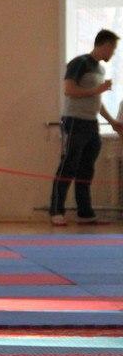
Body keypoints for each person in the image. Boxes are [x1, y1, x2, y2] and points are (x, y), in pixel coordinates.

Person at [50, 29, 123, 226]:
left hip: (91, 123)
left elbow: (96, 99)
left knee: (86, 169)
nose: (113, 53)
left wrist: (112, 121)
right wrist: (98, 89)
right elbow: (69, 90)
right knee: (68, 165)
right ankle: (56, 211)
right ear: (105, 45)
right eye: (113, 49)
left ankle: (85, 213)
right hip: (75, 121)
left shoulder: (100, 70)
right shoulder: (79, 63)